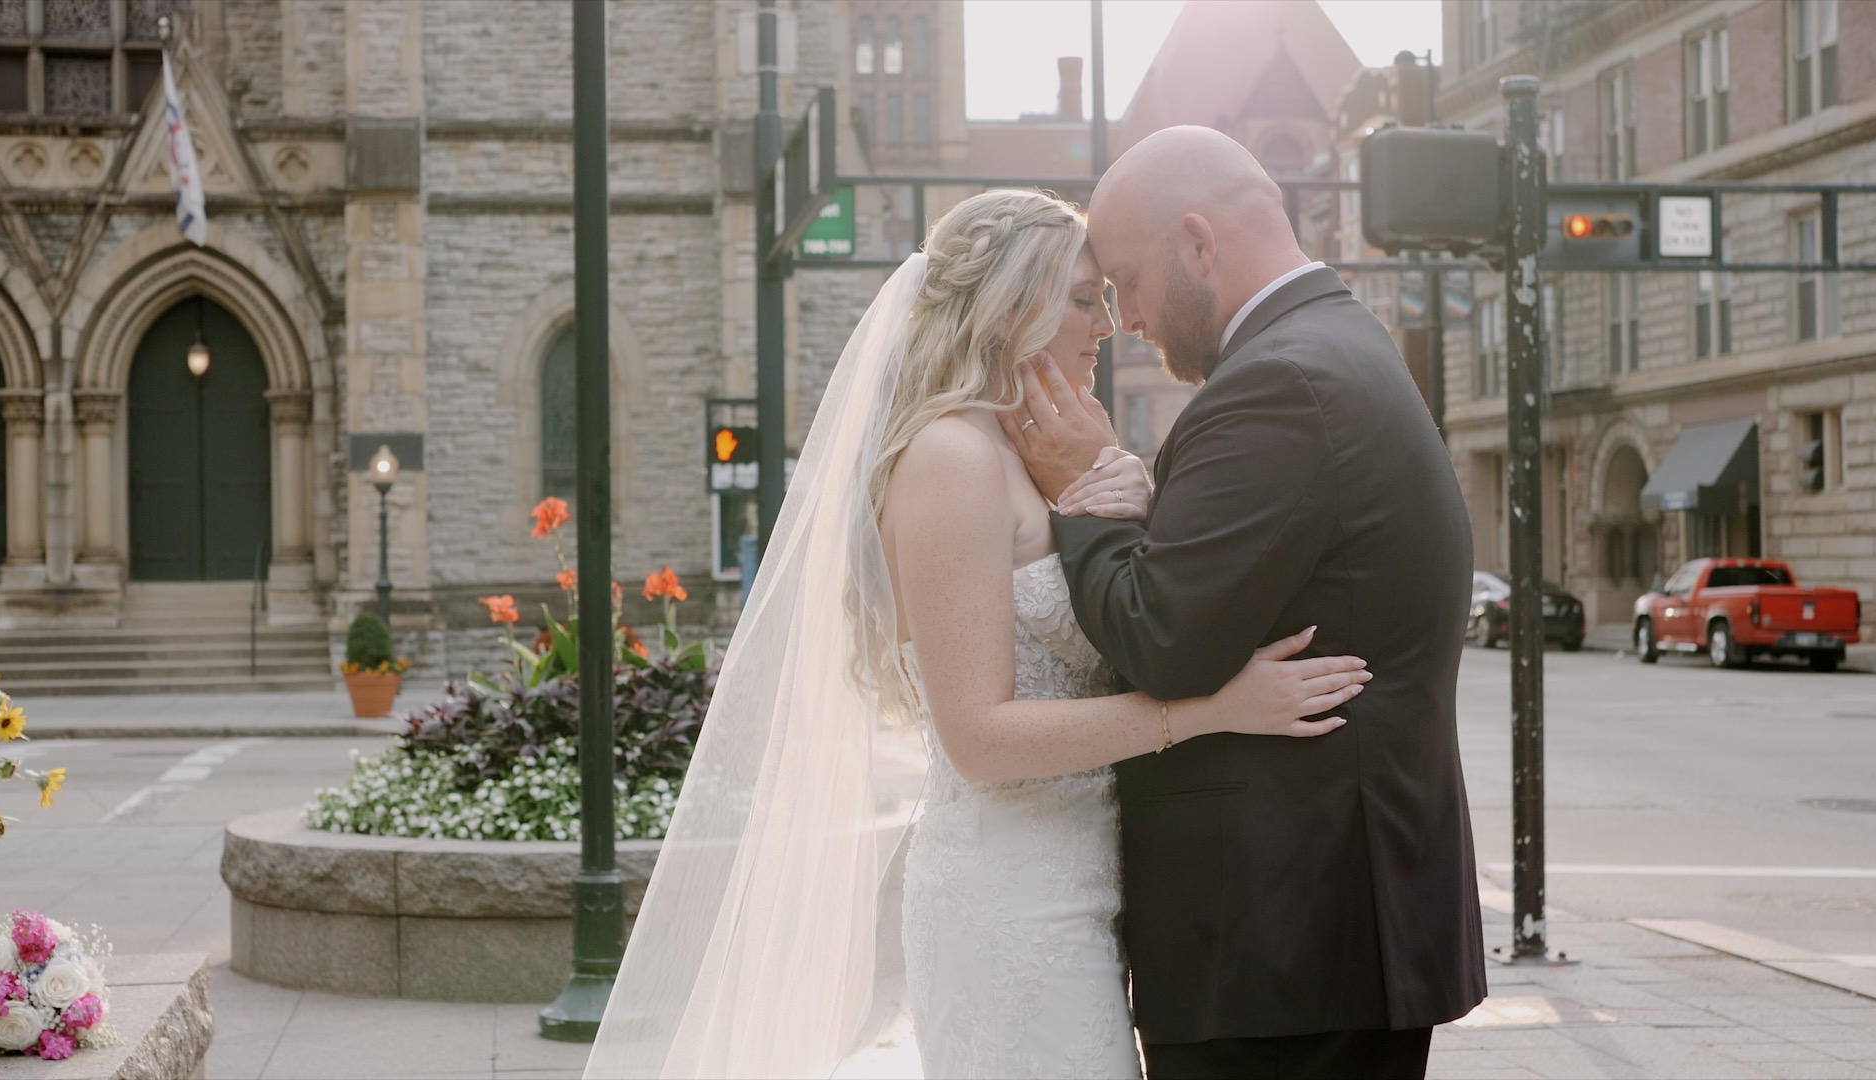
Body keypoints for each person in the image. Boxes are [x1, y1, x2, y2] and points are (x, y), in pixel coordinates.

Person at [582, 189, 1370, 1079]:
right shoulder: (949, 458)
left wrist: (1129, 501)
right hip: (1010, 902)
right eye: (1084, 299)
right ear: (1008, 308)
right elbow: (978, 738)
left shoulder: (1026, 455)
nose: (1108, 324)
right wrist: (1214, 709)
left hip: (1081, 888)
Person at [1003, 127, 1487, 1080]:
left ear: (1198, 242)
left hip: (1280, 943)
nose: (1130, 319)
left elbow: (1162, 639)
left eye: (1128, 282)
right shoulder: (1341, 344)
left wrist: (1088, 495)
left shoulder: (1278, 383)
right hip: (1323, 931)